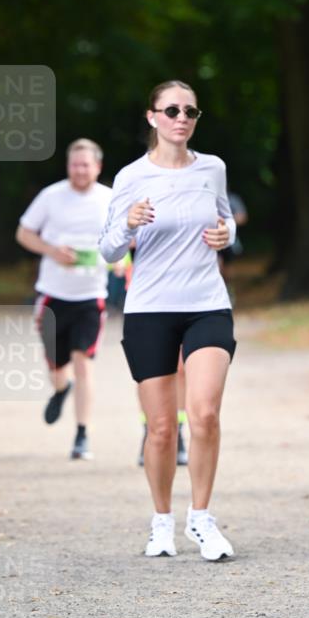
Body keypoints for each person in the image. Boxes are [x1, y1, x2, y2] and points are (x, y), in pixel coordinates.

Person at [99, 79, 237, 561]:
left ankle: (201, 519)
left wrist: (226, 233)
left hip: (206, 303)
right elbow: (108, 247)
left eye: (191, 111)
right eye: (172, 110)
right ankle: (162, 522)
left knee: (204, 413)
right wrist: (128, 224)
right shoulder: (131, 177)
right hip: (149, 309)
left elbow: (226, 219)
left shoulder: (212, 168)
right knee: (161, 428)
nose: (182, 118)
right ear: (152, 117)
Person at [16, 139, 112, 461]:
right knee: (58, 367)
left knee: (83, 363)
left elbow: (128, 241)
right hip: (53, 295)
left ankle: (82, 435)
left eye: (86, 165)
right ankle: (60, 388)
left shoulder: (110, 200)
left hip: (91, 296)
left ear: (97, 167)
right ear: (68, 166)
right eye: (75, 165)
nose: (80, 171)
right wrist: (52, 251)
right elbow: (24, 233)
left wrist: (115, 259)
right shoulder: (51, 196)